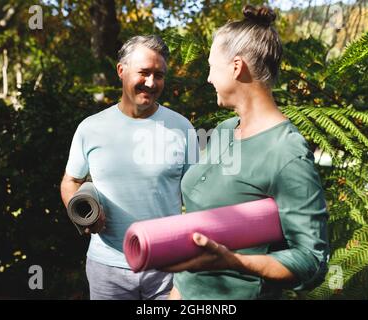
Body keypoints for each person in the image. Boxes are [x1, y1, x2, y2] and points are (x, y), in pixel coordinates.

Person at [163, 5, 330, 300]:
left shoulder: (286, 153)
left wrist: (235, 262)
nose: (208, 78)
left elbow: (312, 261)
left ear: (236, 67)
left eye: (212, 66)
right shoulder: (225, 130)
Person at [60, 35, 197, 300]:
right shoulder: (90, 128)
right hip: (106, 268)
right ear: (121, 71)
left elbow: (197, 199)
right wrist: (76, 209)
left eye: (159, 75)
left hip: (167, 268)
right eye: (144, 72)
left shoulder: (182, 128)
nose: (151, 82)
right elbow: (70, 181)